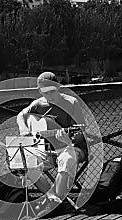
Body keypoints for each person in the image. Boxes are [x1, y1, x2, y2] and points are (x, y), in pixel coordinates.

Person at [16, 71, 88, 206]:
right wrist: (24, 129)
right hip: (46, 149)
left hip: (70, 147)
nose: (49, 96)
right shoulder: (38, 104)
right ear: (39, 91)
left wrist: (66, 139)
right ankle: (52, 197)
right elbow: (21, 115)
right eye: (45, 92)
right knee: (25, 164)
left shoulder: (72, 103)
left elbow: (79, 133)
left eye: (52, 92)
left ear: (58, 87)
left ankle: (57, 199)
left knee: (67, 159)